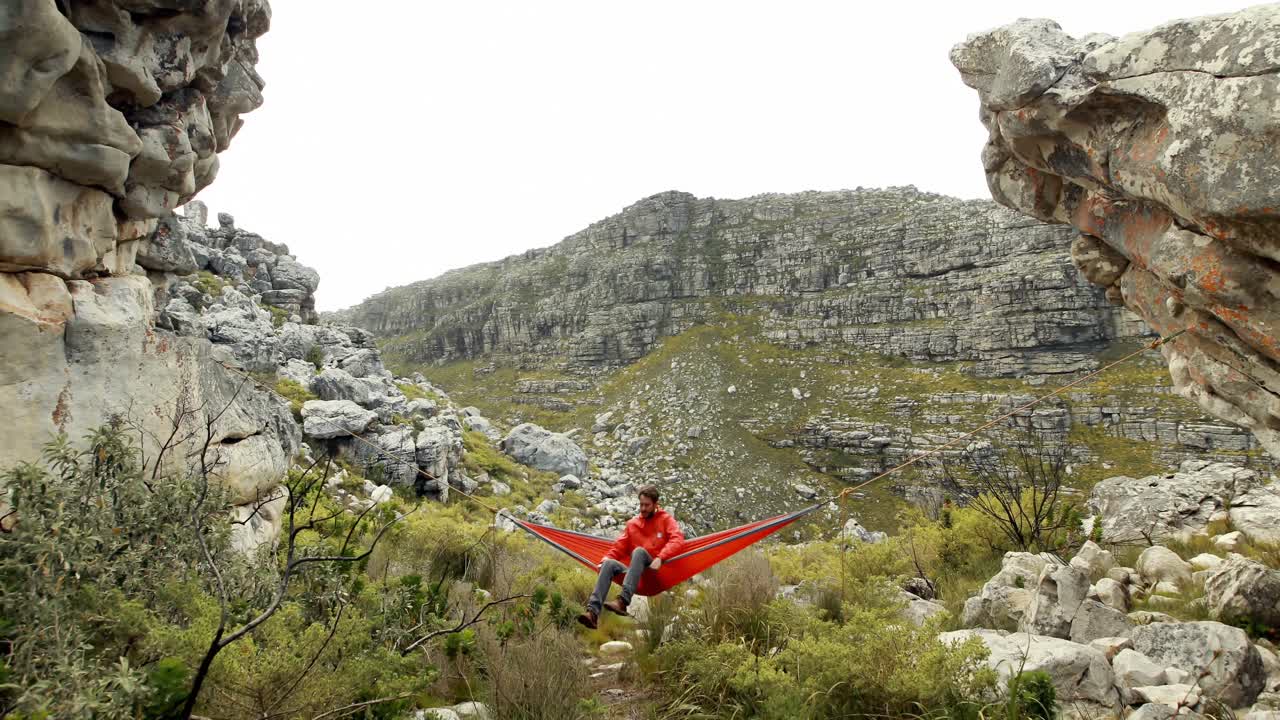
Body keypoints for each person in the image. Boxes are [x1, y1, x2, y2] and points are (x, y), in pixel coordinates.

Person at [577, 484, 685, 629]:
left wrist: (660, 557)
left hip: (654, 571)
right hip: (635, 575)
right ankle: (592, 613)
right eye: (641, 504)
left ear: (655, 504)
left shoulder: (665, 520)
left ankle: (622, 601)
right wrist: (604, 560)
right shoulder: (633, 524)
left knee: (639, 552)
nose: (643, 508)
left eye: (647, 505)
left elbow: (677, 539)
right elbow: (619, 547)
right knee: (609, 564)